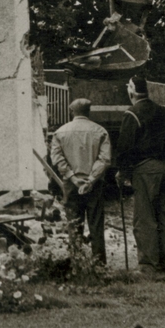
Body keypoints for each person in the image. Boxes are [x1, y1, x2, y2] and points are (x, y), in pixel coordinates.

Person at [115, 76, 165, 273]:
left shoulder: (132, 113)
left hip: (146, 170)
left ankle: (148, 265)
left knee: (145, 217)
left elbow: (125, 147)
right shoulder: (162, 111)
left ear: (131, 91)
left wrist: (122, 172)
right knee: (163, 216)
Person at [49, 98, 112, 264]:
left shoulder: (60, 132)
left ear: (72, 112)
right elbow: (104, 159)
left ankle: (77, 264)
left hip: (71, 184)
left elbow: (57, 158)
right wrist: (91, 179)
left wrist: (72, 177)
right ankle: (99, 266)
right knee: (96, 225)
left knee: (74, 225)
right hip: (95, 184)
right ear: (88, 112)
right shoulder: (100, 131)